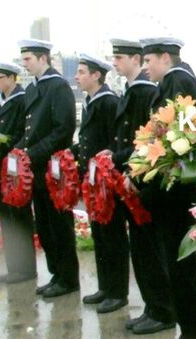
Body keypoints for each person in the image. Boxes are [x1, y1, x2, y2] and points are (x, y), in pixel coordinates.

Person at [140, 37, 196, 338]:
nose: (145, 67)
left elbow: (176, 135)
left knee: (180, 269)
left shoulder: (177, 80)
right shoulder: (172, 81)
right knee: (176, 268)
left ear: (165, 58)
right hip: (172, 191)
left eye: (148, 60)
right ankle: (192, 330)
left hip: (175, 194)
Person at [103, 38, 176, 333]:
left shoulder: (145, 92)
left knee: (150, 251)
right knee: (141, 251)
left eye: (120, 58)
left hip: (143, 180)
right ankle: (152, 307)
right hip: (131, 178)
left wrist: (121, 160)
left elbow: (146, 141)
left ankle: (162, 310)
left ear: (135, 60)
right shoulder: (132, 90)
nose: (115, 63)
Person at [15, 38, 79, 298]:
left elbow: (64, 129)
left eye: (28, 58)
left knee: (59, 225)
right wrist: (18, 152)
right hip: (35, 169)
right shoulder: (33, 88)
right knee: (44, 225)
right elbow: (29, 129)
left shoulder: (58, 86)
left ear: (43, 58)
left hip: (54, 169)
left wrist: (32, 153)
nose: (24, 63)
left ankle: (68, 278)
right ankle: (56, 274)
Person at [71, 54, 128, 313]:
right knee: (100, 235)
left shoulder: (108, 102)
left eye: (82, 72)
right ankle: (105, 287)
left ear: (96, 75)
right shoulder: (90, 101)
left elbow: (114, 141)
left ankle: (117, 292)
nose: (77, 76)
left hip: (106, 181)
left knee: (113, 236)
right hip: (92, 181)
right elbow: (87, 139)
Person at [0, 61, 36, 284]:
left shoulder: (21, 100)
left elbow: (25, 133)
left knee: (19, 217)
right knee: (7, 217)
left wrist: (9, 145)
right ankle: (14, 268)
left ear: (11, 77)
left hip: (14, 166)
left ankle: (25, 269)